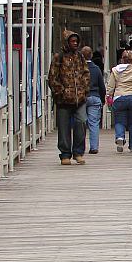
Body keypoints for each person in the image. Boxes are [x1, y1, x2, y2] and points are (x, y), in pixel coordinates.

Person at [47, 30, 90, 165]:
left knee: (81, 122)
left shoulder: (80, 56)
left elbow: (86, 73)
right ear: (67, 42)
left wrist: (84, 89)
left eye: (76, 41)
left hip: (79, 98)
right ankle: (65, 154)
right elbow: (52, 77)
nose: (75, 43)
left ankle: (78, 152)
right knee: (64, 127)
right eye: (72, 41)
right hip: (63, 100)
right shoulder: (58, 57)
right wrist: (60, 92)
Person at [81, 46, 106, 154]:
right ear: (91, 55)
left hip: (82, 97)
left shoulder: (79, 68)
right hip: (95, 97)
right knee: (94, 123)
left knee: (81, 123)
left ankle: (80, 147)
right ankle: (94, 147)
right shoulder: (96, 69)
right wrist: (103, 99)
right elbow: (102, 86)